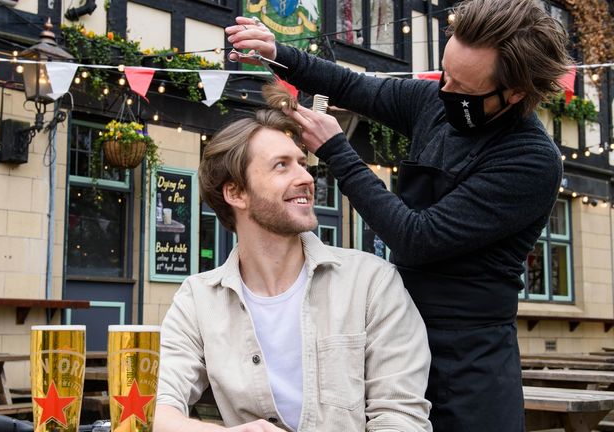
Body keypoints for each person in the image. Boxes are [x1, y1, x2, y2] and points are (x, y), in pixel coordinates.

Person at [225, 0, 571, 430]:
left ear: (514, 92)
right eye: (445, 73)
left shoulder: (530, 159)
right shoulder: (434, 102)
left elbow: (417, 238)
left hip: (468, 360)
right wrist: (280, 53)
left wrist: (337, 151)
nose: (445, 90)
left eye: (462, 87)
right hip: (396, 338)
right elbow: (352, 86)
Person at [154, 87, 432, 432]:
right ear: (236, 192)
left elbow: (400, 419)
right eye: (281, 166)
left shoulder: (372, 282)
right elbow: (157, 409)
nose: (305, 177)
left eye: (302, 163)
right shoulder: (197, 299)